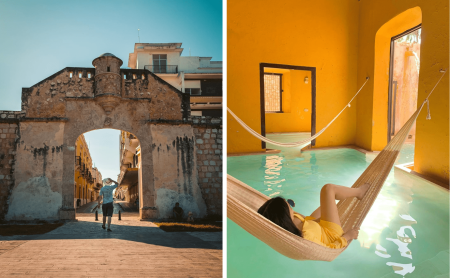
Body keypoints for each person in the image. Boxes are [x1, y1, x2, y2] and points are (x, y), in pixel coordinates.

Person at [257, 183, 370, 249]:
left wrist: (319, 219)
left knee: (330, 203)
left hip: (316, 224)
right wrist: (348, 237)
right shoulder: (306, 237)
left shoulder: (293, 219)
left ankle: (345, 195)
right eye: (290, 207)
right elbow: (329, 249)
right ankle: (359, 192)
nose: (292, 208)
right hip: (331, 234)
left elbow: (308, 221)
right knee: (328, 189)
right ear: (285, 217)